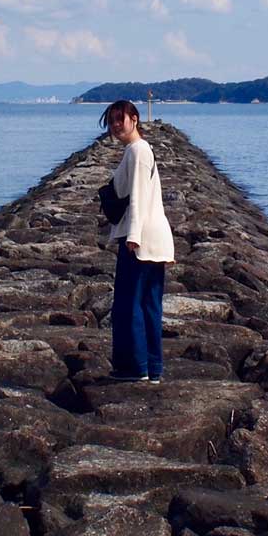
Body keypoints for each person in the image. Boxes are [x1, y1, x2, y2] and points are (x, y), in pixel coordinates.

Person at [100, 99, 174, 383]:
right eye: (112, 121)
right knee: (149, 305)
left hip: (140, 238)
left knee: (129, 305)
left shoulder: (138, 151)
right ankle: (152, 369)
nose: (116, 126)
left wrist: (132, 236)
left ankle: (136, 368)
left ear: (135, 118)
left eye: (121, 119)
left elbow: (139, 197)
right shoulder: (138, 151)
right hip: (153, 237)